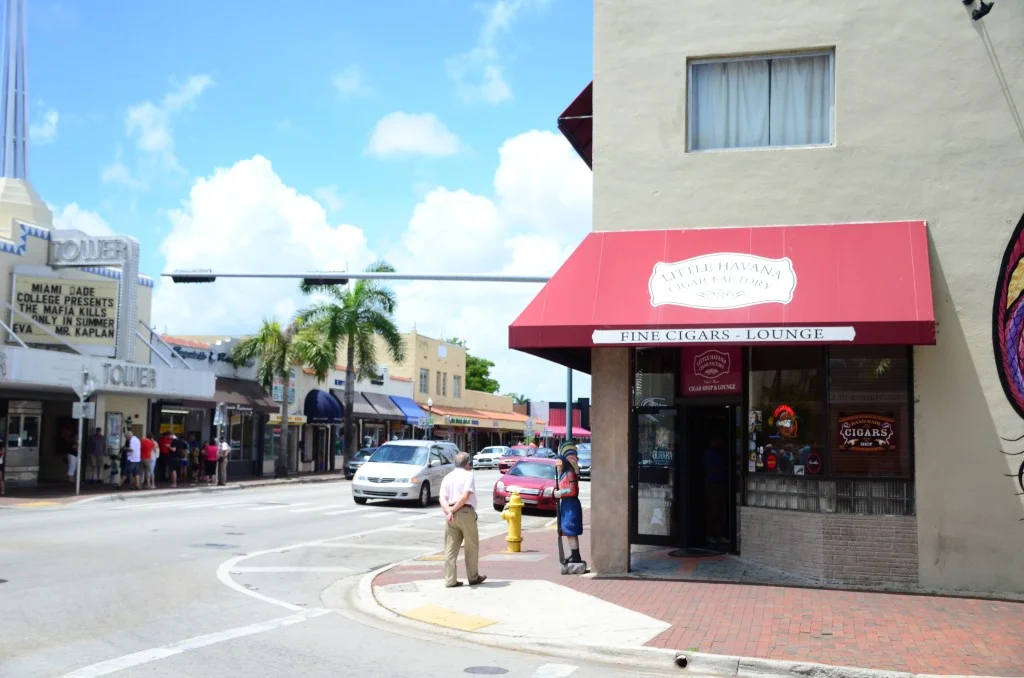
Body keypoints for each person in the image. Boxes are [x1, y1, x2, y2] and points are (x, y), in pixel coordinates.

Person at [438, 452, 486, 588]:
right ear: (467, 463)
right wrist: (453, 510)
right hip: (465, 511)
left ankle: (450, 579)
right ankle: (473, 576)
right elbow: (465, 495)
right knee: (471, 546)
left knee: (450, 548)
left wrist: (449, 511)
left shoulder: (447, 477)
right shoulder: (469, 475)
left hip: (450, 515)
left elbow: (442, 498)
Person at [554, 442, 584, 564]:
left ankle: (576, 556)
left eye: (559, 462)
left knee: (571, 530)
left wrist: (560, 493)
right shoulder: (563, 475)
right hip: (566, 505)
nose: (557, 464)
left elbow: (573, 490)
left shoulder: (570, 474)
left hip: (571, 506)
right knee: (567, 531)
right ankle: (573, 554)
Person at [702, 435, 728, 545]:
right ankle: (709, 535)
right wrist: (725, 468)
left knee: (722, 510)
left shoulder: (718, 453)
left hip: (721, 483)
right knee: (713, 510)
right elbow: (711, 469)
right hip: (712, 483)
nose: (721, 442)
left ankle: (718, 534)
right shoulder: (708, 453)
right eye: (718, 439)